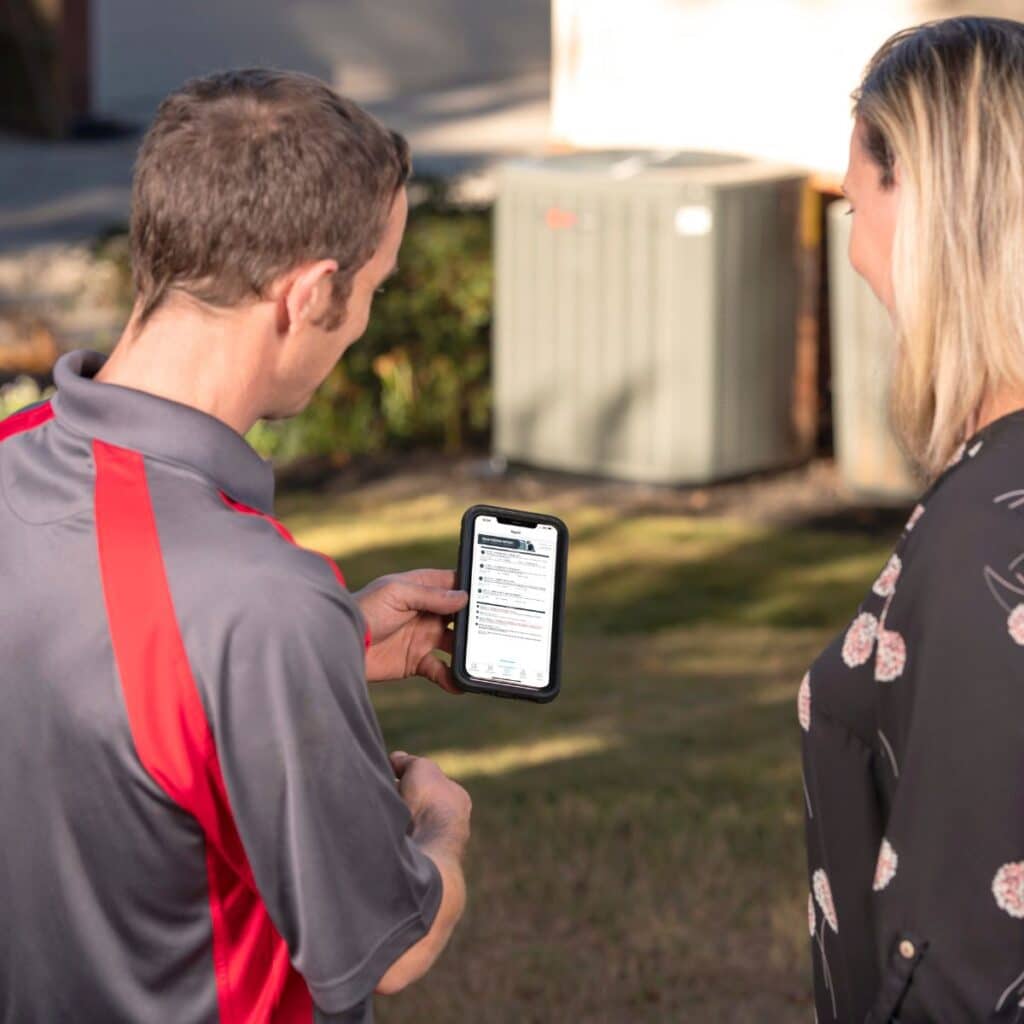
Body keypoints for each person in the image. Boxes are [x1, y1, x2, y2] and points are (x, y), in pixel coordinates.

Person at [0, 70, 472, 1023]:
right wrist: (443, 825)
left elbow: (85, 690)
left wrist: (320, 649)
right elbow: (391, 949)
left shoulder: (12, 462)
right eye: (374, 286)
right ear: (309, 296)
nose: (368, 315)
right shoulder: (258, 604)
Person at [802, 16, 1024, 1023]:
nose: (853, 254)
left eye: (855, 205)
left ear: (927, 207)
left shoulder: (991, 530)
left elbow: (965, 952)